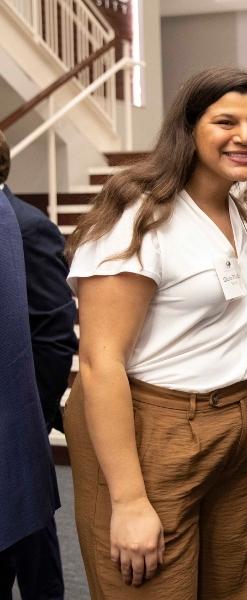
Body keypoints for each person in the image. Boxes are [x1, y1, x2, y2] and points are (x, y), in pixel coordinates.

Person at [64, 66, 247, 599]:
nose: (246, 137)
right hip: (157, 430)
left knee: (238, 589)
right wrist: (130, 501)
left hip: (245, 428)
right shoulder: (139, 215)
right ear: (188, 127)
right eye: (226, 121)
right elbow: (99, 363)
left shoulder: (240, 210)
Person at [0, 129, 75, 600]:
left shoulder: (28, 225)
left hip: (18, 431)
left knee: (37, 572)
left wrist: (35, 415)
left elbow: (53, 334)